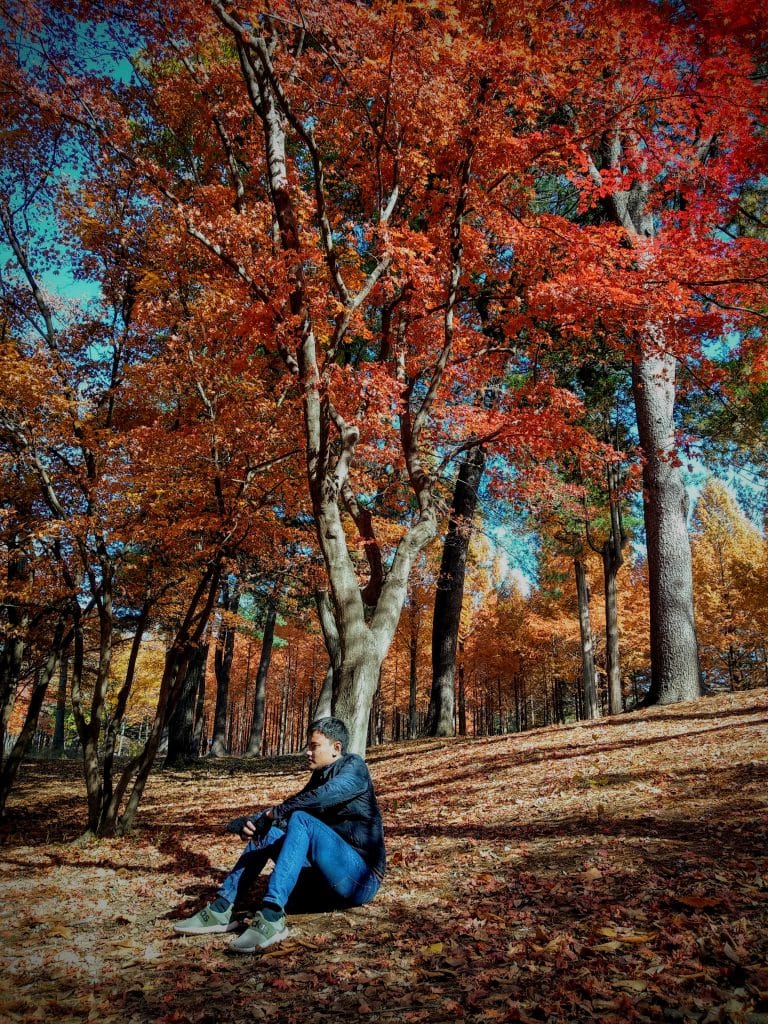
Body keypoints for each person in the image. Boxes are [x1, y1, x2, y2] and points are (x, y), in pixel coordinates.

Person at [173, 717, 386, 953]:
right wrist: (254, 822)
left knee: (301, 819)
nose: (307, 752)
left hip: (361, 880)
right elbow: (291, 807)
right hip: (325, 882)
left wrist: (271, 814)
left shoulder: (355, 768)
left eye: (314, 746)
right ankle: (221, 908)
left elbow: (319, 798)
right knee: (268, 832)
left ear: (336, 748)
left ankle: (272, 916)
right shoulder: (319, 776)